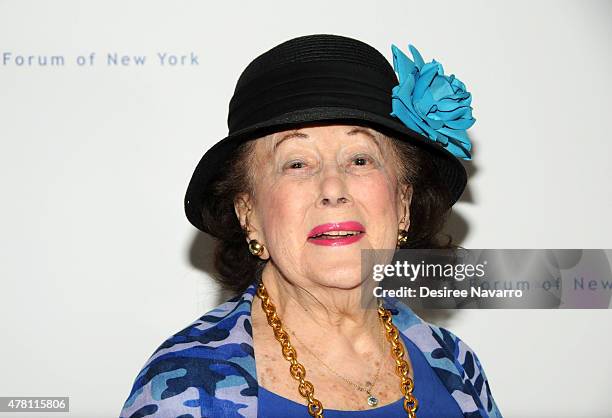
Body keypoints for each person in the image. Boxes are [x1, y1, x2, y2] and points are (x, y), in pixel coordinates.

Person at [119, 34, 503, 418]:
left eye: (360, 159)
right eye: (296, 163)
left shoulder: (456, 367)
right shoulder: (187, 384)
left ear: (403, 202)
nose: (333, 189)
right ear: (248, 213)